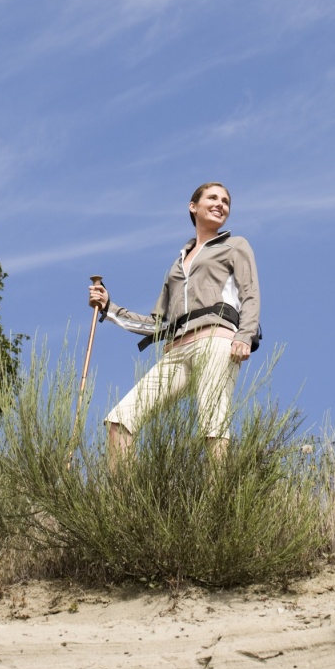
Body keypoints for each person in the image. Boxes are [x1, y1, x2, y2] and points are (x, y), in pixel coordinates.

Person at [88, 182, 261, 461]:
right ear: (193, 207)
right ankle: (119, 503)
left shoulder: (235, 245)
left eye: (226, 201)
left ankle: (218, 502)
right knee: (120, 420)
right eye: (213, 198)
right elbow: (157, 324)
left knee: (213, 425)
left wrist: (245, 336)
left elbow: (250, 294)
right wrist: (109, 308)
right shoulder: (177, 265)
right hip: (176, 350)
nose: (220, 204)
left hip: (216, 342)